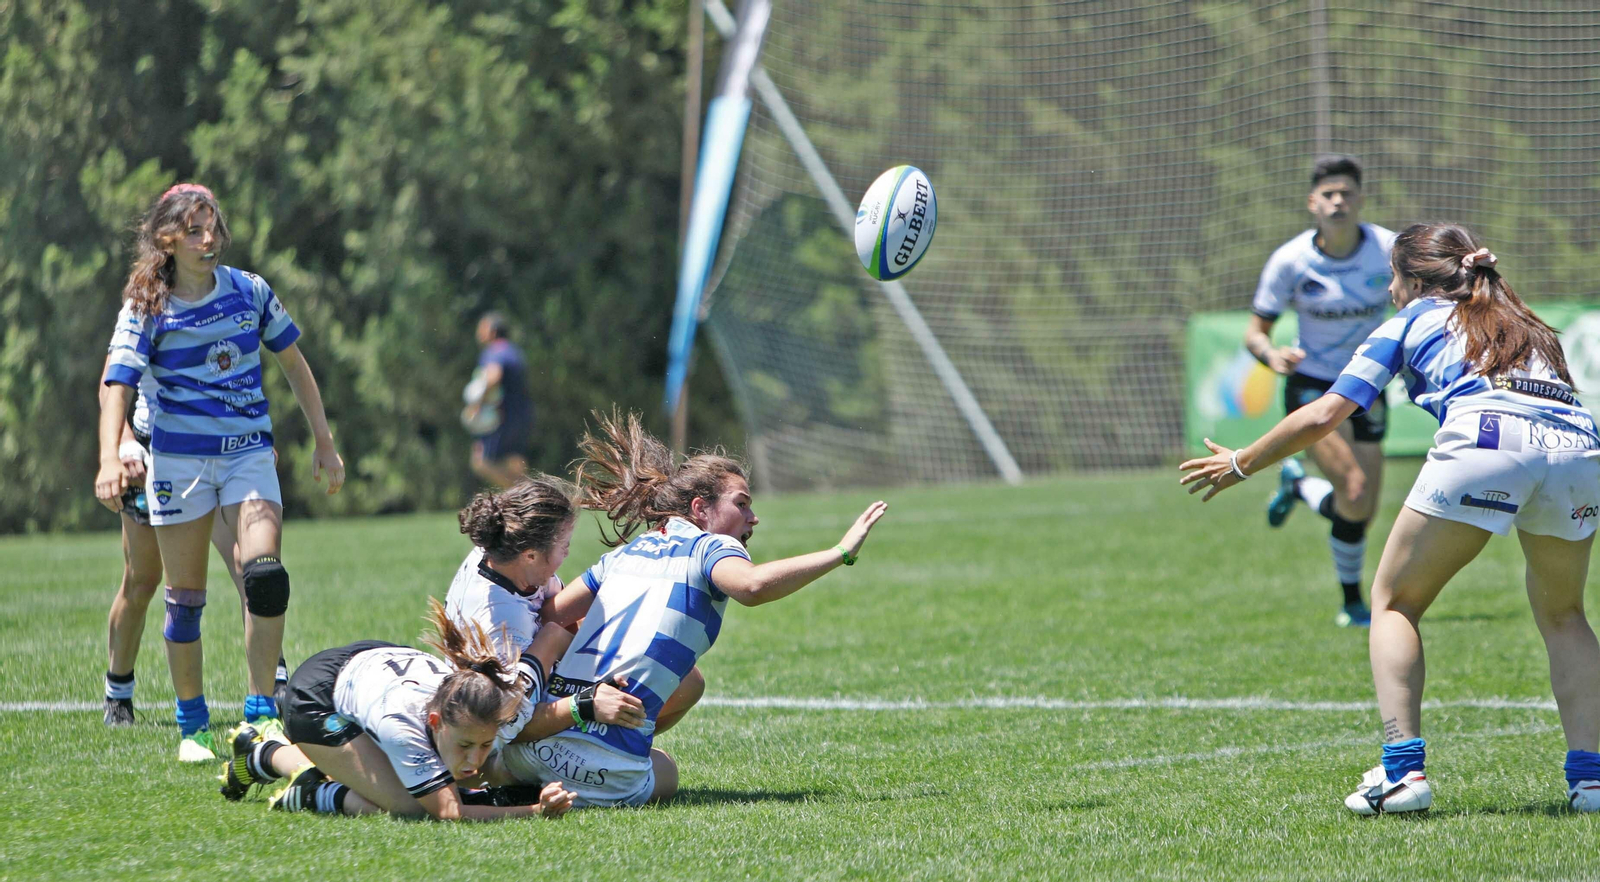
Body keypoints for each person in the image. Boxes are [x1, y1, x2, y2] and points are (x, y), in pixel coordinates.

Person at [1183, 222, 1600, 814]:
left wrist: (1242, 462)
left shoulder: (1408, 321)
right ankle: (1592, 782)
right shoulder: (1526, 321)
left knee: (1395, 602)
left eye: (1391, 279)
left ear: (1408, 279)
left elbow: (1325, 412)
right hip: (1578, 450)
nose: (1388, 291)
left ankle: (1402, 775)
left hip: (1486, 439)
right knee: (1564, 615)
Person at [482, 410, 889, 808]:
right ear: (699, 510)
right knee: (666, 772)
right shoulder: (711, 545)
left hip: (531, 745)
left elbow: (551, 614)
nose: (753, 517)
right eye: (742, 504)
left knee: (690, 681)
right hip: (608, 774)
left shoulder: (628, 552)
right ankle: (604, 758)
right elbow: (752, 586)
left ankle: (513, 780)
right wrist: (840, 553)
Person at [94, 183, 345, 761]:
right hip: (177, 463)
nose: (210, 241)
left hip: (247, 454)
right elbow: (116, 385)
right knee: (181, 598)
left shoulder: (249, 291)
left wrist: (324, 442)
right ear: (168, 239)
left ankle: (260, 712)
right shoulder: (146, 308)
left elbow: (293, 363)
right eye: (195, 231)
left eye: (214, 229)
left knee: (263, 574)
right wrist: (113, 454)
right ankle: (192, 725)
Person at [216, 599, 575, 820]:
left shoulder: (495, 702)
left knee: (432, 782)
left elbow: (550, 641)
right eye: (465, 745)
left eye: (484, 745)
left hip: (371, 665)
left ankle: (261, 754)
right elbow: (449, 812)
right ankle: (304, 786)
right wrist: (535, 811)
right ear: (435, 722)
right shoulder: (403, 728)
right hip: (315, 696)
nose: (475, 758)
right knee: (410, 804)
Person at [1244, 154, 1397, 627]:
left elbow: (1430, 296)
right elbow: (1255, 332)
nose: (1338, 202)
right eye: (1329, 195)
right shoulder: (1291, 260)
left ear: (1361, 200)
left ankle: (1300, 486)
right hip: (1311, 386)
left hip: (1367, 384)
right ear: (1313, 203)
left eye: (1347, 193)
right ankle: (1353, 604)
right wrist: (1271, 356)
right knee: (1352, 489)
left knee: (1363, 507)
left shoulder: (1389, 249)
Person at [443, 476, 704, 747]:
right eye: (564, 546)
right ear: (530, 555)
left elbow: (558, 612)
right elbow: (510, 725)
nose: (567, 554)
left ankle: (619, 742)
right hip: (518, 729)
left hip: (542, 678)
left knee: (686, 677)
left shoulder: (500, 548)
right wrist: (584, 704)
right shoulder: (505, 625)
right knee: (667, 761)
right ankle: (600, 749)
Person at [100, 363, 283, 726]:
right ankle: (118, 690)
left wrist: (254, 442)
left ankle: (272, 679)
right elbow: (111, 386)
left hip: (218, 445)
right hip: (156, 451)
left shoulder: (224, 305)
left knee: (249, 563)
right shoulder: (145, 307)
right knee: (142, 580)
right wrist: (123, 443)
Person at [464, 312, 534, 489]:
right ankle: (529, 501)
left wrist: (477, 406)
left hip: (502, 418)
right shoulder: (514, 352)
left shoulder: (493, 351)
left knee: (480, 461)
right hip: (522, 416)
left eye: (482, 328)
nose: (478, 332)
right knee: (516, 463)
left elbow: (494, 377)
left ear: (493, 332)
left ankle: (523, 496)